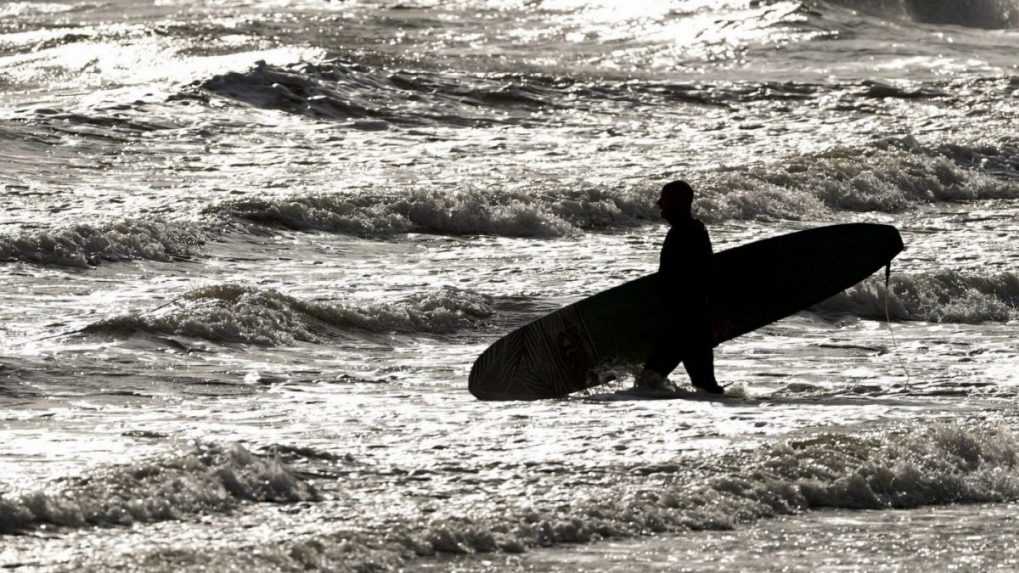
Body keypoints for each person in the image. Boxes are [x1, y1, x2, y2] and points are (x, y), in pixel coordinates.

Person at [636, 180, 725, 395]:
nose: (659, 204)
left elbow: (689, 280)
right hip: (693, 323)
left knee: (648, 383)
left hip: (684, 324)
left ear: (677, 203)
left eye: (664, 199)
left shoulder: (686, 233)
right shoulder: (692, 230)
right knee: (706, 385)